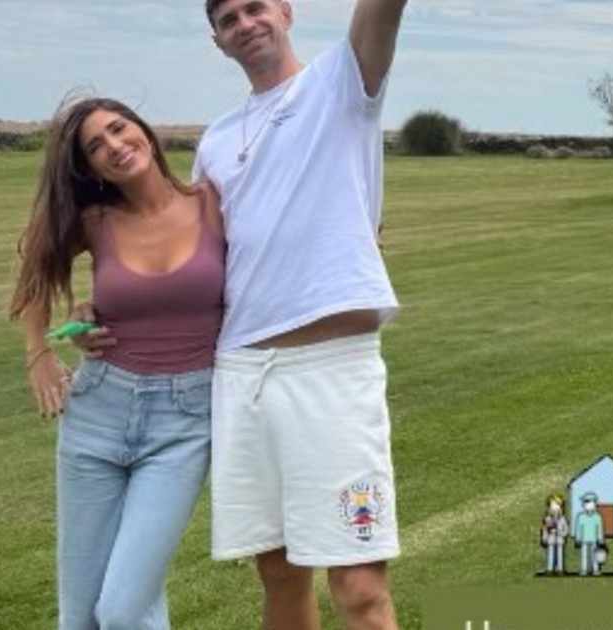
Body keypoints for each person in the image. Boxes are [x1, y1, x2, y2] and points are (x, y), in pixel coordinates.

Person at [74, 1, 408, 628]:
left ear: (286, 12)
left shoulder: (342, 80)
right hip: (241, 373)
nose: (245, 23)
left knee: (359, 586)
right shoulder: (218, 141)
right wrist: (101, 307)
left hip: (331, 369)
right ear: (218, 42)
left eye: (256, 7)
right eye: (228, 19)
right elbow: (195, 261)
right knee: (280, 577)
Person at [9, 95, 224, 629]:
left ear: (144, 131)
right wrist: (39, 353)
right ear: (89, 169)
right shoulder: (95, 221)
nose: (114, 146)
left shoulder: (212, 203)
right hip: (98, 412)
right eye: (94, 147)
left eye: (119, 128)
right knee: (78, 619)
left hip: (185, 425)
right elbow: (35, 269)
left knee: (124, 609)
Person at [573, 492, 604, 576]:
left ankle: (595, 569)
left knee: (595, 555)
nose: (587, 505)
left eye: (589, 503)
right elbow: (578, 528)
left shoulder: (597, 517)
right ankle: (583, 569)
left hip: (594, 539)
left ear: (595, 504)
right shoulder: (581, 516)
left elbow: (599, 529)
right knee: (584, 555)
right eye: (585, 503)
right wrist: (578, 538)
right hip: (584, 539)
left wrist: (600, 538)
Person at [540, 493, 569, 575]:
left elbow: (566, 531)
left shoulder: (562, 519)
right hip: (550, 540)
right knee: (550, 554)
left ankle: (560, 569)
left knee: (560, 555)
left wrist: (559, 532)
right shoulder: (548, 519)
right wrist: (544, 538)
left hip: (560, 540)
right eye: (552, 505)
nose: (555, 507)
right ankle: (550, 569)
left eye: (557, 505)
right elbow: (545, 529)